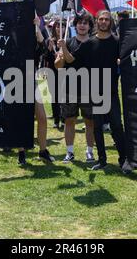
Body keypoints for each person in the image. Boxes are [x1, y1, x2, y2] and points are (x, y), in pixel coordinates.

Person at [59, 10, 133, 174]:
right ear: (97, 22)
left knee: (117, 126)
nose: (104, 21)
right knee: (97, 127)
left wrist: (121, 61)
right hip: (94, 92)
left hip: (111, 92)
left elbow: (127, 58)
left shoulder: (117, 42)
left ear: (110, 22)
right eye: (101, 19)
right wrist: (63, 48)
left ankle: (124, 160)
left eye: (106, 19)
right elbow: (71, 59)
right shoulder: (89, 44)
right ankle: (102, 160)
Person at [55, 11, 95, 163]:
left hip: (89, 88)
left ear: (90, 26)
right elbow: (58, 66)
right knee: (69, 121)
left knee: (89, 122)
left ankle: (90, 152)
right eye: (80, 22)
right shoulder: (68, 42)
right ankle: (69, 152)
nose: (82, 25)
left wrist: (64, 50)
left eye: (85, 23)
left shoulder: (93, 42)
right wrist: (61, 52)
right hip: (69, 88)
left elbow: (72, 59)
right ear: (75, 25)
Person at [17, 17, 55, 165]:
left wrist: (37, 26)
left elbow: (42, 45)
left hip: (32, 82)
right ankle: (21, 153)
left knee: (42, 118)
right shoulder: (13, 41)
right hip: (15, 82)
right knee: (21, 120)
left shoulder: (34, 44)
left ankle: (42, 150)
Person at [45, 20, 65, 129]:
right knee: (55, 97)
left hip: (64, 72)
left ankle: (63, 119)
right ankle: (56, 120)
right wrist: (49, 49)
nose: (59, 28)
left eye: (62, 26)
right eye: (58, 26)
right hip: (52, 72)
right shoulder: (50, 41)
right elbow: (46, 58)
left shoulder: (66, 41)